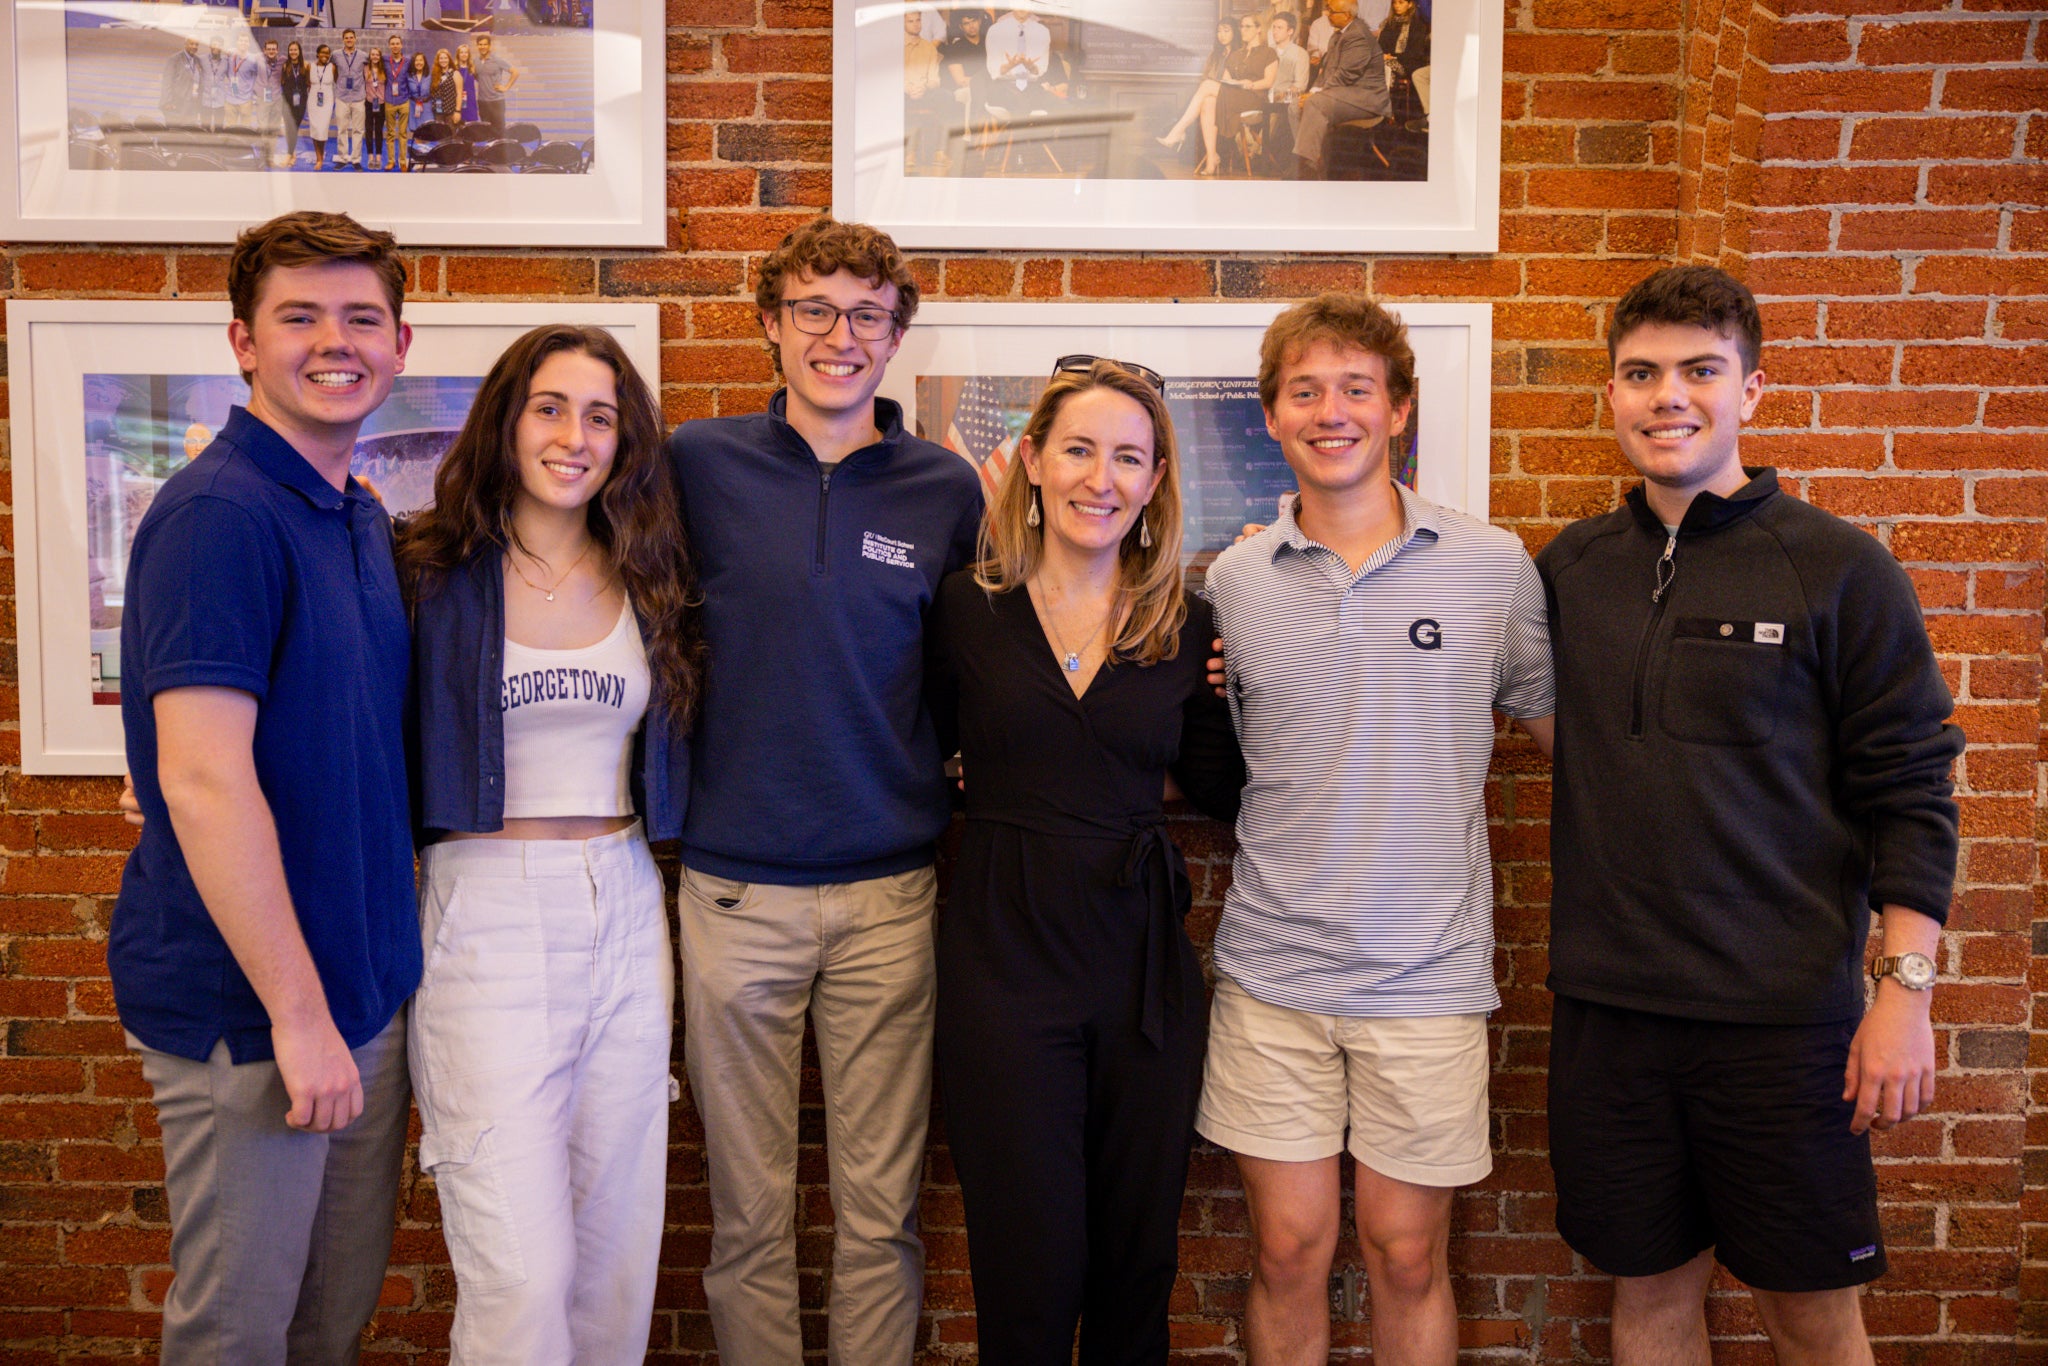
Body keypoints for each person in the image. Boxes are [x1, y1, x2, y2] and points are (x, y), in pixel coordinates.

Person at [1536, 265, 1963, 1366]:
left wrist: (1900, 993)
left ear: (1750, 390)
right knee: (1647, 1297)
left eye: (1696, 370)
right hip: (1608, 1016)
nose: (1665, 395)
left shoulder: (1838, 568)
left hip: (1782, 1027)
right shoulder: (1569, 570)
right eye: (1639, 373)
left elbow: (1912, 788)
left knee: (1810, 1315)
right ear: (1611, 394)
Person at [1198, 293, 1554, 1366]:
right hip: (1271, 978)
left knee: (1405, 1253)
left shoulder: (1493, 567)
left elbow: (1564, 744)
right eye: (1303, 390)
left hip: (1425, 979)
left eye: (1356, 387)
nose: (1330, 410)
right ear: (1270, 416)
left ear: (1397, 408)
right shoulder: (1233, 580)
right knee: (1287, 1248)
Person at [663, 216, 984, 1365]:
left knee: (877, 1216)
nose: (837, 337)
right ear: (769, 324)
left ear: (894, 336)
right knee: (746, 1217)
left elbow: (977, 668)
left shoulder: (943, 489)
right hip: (732, 893)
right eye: (812, 309)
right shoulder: (695, 465)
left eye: (864, 315)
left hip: (891, 896)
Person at [108, 210, 417, 1365]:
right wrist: (299, 1018)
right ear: (243, 341)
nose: (332, 342)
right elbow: (201, 778)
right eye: (299, 317)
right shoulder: (218, 515)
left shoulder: (351, 513)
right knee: (240, 1334)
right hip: (255, 1016)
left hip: (356, 999)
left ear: (399, 344)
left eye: (359, 318)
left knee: (323, 1326)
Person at [927, 358, 1243, 1364]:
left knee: (1133, 1263)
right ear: (1030, 459)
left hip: (1138, 965)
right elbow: (924, 755)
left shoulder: (1184, 625)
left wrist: (1249, 684)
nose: (1098, 478)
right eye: (1076, 449)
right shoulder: (964, 612)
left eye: (1126, 458)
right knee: (1026, 1265)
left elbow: (1222, 787)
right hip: (1001, 956)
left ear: (1153, 482)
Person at [397, 325, 702, 1365]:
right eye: (550, 407)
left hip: (620, 899)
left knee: (616, 1258)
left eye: (601, 416)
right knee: (518, 1274)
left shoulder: (649, 573)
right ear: (507, 420)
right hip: (483, 905)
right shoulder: (428, 570)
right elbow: (334, 702)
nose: (575, 436)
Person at [1292, 0, 1391, 179]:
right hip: (1344, 94)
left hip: (1366, 98)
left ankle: (1307, 165)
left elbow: (1346, 75)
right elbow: (1327, 71)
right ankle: (1308, 157)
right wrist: (1312, 90)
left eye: (1332, 11)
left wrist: (1315, 95)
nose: (1327, 14)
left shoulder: (1358, 35)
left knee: (1314, 102)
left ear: (1347, 15)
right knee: (1295, 104)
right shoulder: (1338, 35)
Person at [1154, 19, 1238, 172]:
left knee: (1205, 89)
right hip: (1213, 95)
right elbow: (1206, 78)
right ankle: (1212, 159)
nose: (1222, 35)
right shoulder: (1215, 54)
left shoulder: (1240, 53)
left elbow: (1233, 81)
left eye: (1226, 31)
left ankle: (1178, 131)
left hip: (1232, 98)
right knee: (1207, 101)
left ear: (1235, 32)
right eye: (1219, 31)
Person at [1215, 13, 1279, 175]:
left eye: (1247, 26)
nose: (1243, 30)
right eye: (1241, 26)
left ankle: (1180, 133)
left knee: (1209, 91)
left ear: (1259, 29)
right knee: (1209, 101)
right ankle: (1211, 155)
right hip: (1232, 96)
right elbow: (1225, 80)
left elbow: (1268, 82)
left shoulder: (1268, 52)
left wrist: (1249, 85)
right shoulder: (1236, 54)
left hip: (1255, 98)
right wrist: (1235, 83)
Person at [1265, 12, 1311, 164]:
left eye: (1279, 27)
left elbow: (1300, 85)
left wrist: (1280, 95)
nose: (1275, 31)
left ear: (1290, 31)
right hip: (1264, 97)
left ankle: (1298, 157)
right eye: (1274, 27)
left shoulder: (1300, 54)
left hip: (1284, 101)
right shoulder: (1267, 51)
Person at [903, 9, 945, 171]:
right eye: (911, 21)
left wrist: (924, 87)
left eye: (918, 20)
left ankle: (940, 150)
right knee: (899, 100)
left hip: (924, 90)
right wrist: (908, 89)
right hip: (903, 90)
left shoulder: (929, 48)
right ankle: (910, 152)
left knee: (945, 97)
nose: (916, 24)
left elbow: (935, 79)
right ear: (903, 24)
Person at [1377, 0, 1430, 126]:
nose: (1397, 6)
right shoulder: (1388, 24)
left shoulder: (1417, 25)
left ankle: (1389, 112)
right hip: (1387, 60)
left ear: (1410, 4)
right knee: (1375, 65)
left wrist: (1393, 58)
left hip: (1409, 63)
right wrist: (1385, 56)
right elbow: (1381, 46)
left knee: (1387, 67)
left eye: (1400, 2)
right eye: (1394, 3)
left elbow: (1416, 52)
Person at [333, 29, 367, 168]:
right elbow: (334, 72)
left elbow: (368, 73)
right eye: (346, 38)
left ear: (355, 39)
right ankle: (342, 158)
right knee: (341, 129)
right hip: (342, 97)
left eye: (351, 37)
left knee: (358, 130)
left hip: (358, 97)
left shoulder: (364, 56)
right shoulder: (335, 55)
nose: (349, 40)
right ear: (343, 40)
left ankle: (356, 159)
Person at [475, 33, 520, 136]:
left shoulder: (497, 60)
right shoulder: (475, 61)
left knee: (499, 131)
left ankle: (499, 151)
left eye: (485, 44)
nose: (482, 47)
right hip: (482, 102)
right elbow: (476, 76)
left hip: (496, 101)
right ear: (477, 46)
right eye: (480, 44)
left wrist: (506, 87)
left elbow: (515, 72)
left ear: (489, 46)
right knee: (486, 131)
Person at [160, 35, 204, 131]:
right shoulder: (174, 59)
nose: (194, 47)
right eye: (191, 44)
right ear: (185, 44)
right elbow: (167, 82)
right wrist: (168, 102)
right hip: (176, 105)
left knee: (188, 134)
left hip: (192, 106)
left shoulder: (198, 61)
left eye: (196, 44)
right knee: (173, 134)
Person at [279, 39, 309, 166]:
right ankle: (291, 154)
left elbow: (308, 84)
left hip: (300, 102)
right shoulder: (285, 65)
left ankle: (289, 154)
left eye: (295, 50)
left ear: (299, 51)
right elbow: (282, 83)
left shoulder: (306, 65)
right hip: (286, 102)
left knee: (293, 128)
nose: (293, 52)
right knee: (289, 128)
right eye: (291, 50)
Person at [306, 43, 336, 170]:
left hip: (327, 100)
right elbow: (308, 83)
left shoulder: (332, 67)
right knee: (315, 127)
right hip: (313, 99)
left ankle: (320, 158)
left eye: (327, 53)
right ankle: (318, 156)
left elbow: (338, 81)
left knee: (322, 128)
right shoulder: (310, 66)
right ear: (317, 53)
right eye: (322, 52)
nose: (325, 55)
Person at [224, 31, 260, 128]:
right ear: (237, 42)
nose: (243, 43)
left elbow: (259, 75)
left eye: (246, 41)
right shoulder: (230, 55)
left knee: (245, 130)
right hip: (230, 99)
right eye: (241, 40)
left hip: (246, 100)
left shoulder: (253, 60)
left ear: (249, 44)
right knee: (229, 130)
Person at [200, 35, 231, 134]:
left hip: (220, 101)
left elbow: (233, 77)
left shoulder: (227, 61)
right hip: (205, 100)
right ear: (210, 46)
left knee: (219, 129)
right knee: (205, 129)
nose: (216, 47)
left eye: (219, 45)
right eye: (214, 44)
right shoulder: (201, 59)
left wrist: (235, 92)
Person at [363, 49, 387, 170]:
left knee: (378, 131)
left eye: (377, 54)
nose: (375, 57)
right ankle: (370, 157)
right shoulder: (365, 69)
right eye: (373, 54)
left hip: (381, 104)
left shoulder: (384, 69)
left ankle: (378, 157)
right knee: (368, 130)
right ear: (370, 56)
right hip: (369, 103)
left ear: (380, 56)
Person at [431, 48, 462, 125]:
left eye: (445, 58)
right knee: (439, 135)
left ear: (449, 59)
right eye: (441, 58)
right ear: (438, 60)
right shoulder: (435, 74)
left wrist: (457, 111)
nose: (443, 60)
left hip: (450, 111)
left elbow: (459, 93)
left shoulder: (455, 73)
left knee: (450, 134)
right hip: (438, 111)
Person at [454, 44, 481, 126]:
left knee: (470, 127)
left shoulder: (472, 68)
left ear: (469, 54)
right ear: (458, 54)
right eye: (461, 52)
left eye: (466, 52)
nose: (464, 54)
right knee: (458, 124)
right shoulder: (454, 68)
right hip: (457, 100)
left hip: (470, 101)